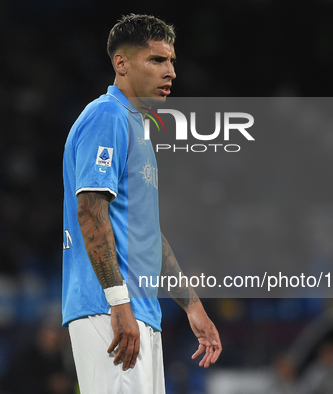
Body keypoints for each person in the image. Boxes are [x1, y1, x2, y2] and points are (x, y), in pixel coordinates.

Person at [62, 13, 222, 394]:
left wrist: (192, 306)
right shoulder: (107, 116)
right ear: (121, 63)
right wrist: (118, 303)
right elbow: (89, 211)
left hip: (140, 310)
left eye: (171, 61)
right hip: (110, 309)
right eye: (157, 60)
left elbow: (147, 233)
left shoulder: (138, 129)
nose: (170, 72)